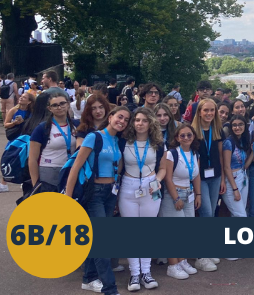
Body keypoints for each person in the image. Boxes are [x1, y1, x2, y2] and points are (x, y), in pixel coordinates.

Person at [65, 106, 131, 295]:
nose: (122, 121)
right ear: (110, 117)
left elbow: (117, 170)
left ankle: (88, 278)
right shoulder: (94, 137)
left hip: (110, 193)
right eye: (120, 117)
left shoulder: (117, 140)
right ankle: (110, 288)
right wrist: (68, 199)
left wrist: (116, 197)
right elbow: (75, 167)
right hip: (94, 193)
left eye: (126, 120)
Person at [117, 108, 164, 291]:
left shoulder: (158, 143)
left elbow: (163, 168)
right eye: (137, 120)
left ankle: (146, 272)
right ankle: (134, 274)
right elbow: (119, 166)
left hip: (151, 186)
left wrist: (157, 180)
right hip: (128, 187)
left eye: (144, 120)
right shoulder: (124, 142)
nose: (140, 123)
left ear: (150, 122)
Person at [160, 123, 203, 278]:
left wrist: (198, 195)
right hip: (174, 194)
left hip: (189, 193)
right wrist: (176, 198)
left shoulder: (195, 154)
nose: (186, 138)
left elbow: (196, 175)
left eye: (189, 135)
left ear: (193, 137)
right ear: (177, 138)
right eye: (182, 135)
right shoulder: (172, 154)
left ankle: (182, 260)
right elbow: (167, 178)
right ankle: (173, 265)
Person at [28, 91, 80, 193]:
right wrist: (35, 185)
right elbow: (32, 159)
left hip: (71, 170)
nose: (59, 107)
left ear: (68, 104)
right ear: (49, 108)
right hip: (49, 172)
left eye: (62, 103)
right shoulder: (42, 128)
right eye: (55, 105)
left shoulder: (77, 125)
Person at [192, 99, 225, 227]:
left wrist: (222, 179)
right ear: (199, 112)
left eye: (212, 110)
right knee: (206, 213)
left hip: (216, 177)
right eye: (206, 110)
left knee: (212, 211)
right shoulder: (192, 131)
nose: (209, 113)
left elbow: (221, 156)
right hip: (200, 178)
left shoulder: (218, 130)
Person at [222, 115, 253, 218]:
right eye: (234, 125)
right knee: (241, 215)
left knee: (239, 212)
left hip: (243, 176)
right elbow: (226, 167)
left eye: (240, 124)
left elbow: (245, 166)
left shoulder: (243, 141)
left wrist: (253, 153)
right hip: (232, 180)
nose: (237, 127)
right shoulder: (228, 142)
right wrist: (235, 189)